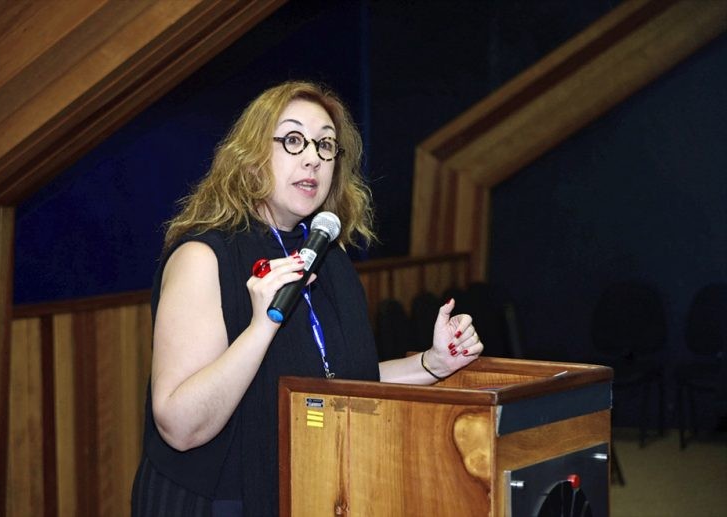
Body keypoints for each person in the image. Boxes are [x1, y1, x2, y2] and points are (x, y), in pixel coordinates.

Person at [131, 80, 484, 516]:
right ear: (251, 158)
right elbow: (181, 427)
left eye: (326, 145)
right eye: (294, 139)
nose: (313, 157)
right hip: (214, 501)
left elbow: (335, 383)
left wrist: (431, 363)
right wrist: (263, 326)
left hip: (307, 488)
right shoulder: (203, 257)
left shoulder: (327, 258)